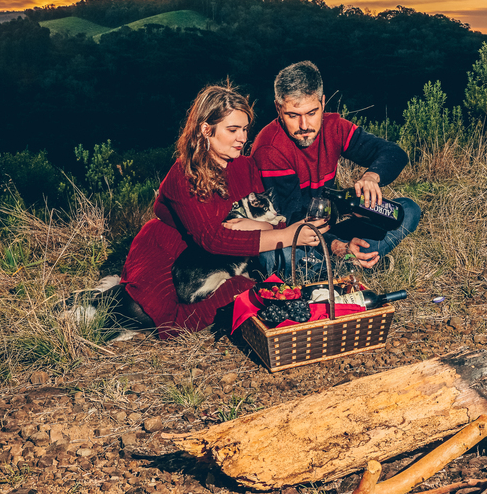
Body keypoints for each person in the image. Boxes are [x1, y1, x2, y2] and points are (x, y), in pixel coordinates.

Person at [118, 84, 328, 339]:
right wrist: (288, 236)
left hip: (222, 259)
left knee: (253, 292)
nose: (242, 138)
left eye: (245, 129)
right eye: (233, 130)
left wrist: (263, 227)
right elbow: (212, 238)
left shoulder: (244, 166)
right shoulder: (184, 175)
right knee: (145, 314)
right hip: (169, 253)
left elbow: (269, 217)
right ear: (206, 129)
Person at [252, 61, 421, 278]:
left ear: (323, 102)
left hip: (327, 232)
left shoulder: (334, 127)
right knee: (277, 257)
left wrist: (371, 177)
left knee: (407, 210)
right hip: (294, 238)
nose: (304, 125)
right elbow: (293, 220)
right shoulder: (270, 147)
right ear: (278, 108)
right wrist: (337, 247)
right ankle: (347, 267)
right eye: (293, 115)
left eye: (312, 112)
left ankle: (342, 267)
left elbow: (394, 153)